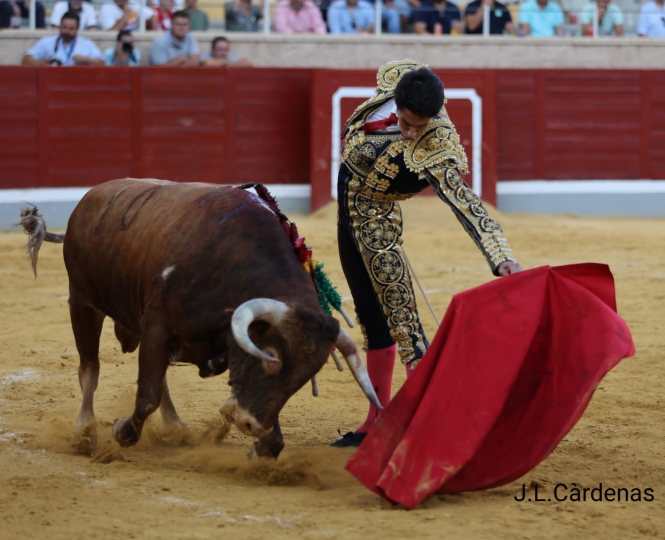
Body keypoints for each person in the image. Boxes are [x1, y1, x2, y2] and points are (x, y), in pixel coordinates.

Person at [331, 59, 522, 447]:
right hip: (346, 217)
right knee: (371, 318)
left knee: (405, 322)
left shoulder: (438, 147)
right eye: (405, 122)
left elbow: (466, 202)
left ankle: (429, 426)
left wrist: (499, 254)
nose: (412, 132)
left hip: (377, 223)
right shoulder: (398, 83)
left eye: (421, 125)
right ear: (395, 101)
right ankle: (377, 419)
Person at [21, 10, 104, 66]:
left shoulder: (86, 43)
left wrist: (86, 60)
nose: (67, 31)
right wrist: (41, 63)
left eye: (71, 29)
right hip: (52, 82)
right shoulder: (47, 42)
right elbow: (26, 60)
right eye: (64, 27)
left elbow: (101, 63)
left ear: (77, 29)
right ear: (60, 26)